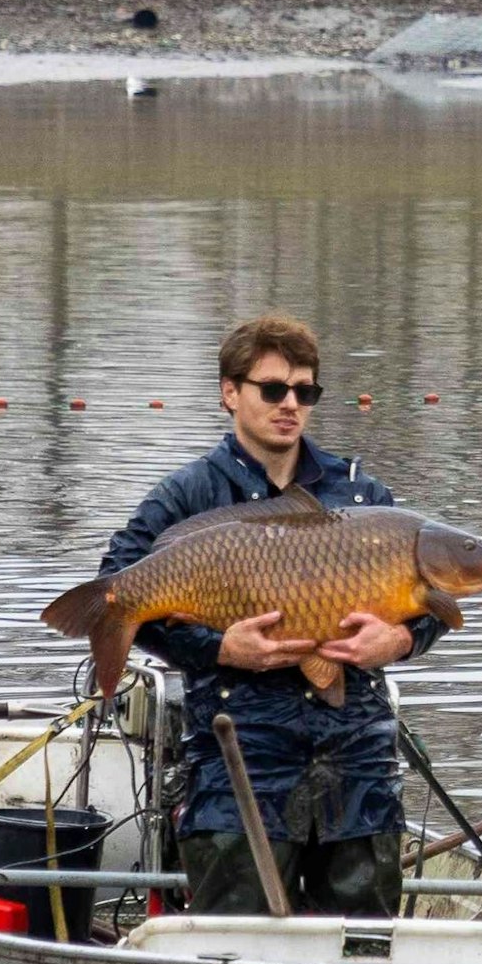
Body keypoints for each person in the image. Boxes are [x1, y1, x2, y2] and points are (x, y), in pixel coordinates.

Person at [101, 314, 448, 917]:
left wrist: (399, 640)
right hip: (239, 753)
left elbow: (437, 595)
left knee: (363, 941)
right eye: (272, 389)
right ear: (230, 392)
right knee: (237, 943)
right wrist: (218, 649)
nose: (290, 404)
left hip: (357, 755)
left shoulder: (362, 497)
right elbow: (117, 587)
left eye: (304, 392)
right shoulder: (187, 495)